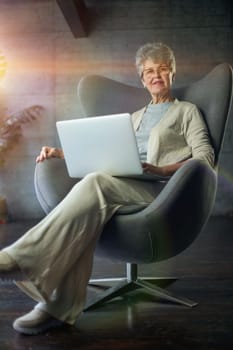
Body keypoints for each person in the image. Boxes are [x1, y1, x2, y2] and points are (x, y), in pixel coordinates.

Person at [0, 42, 215, 335]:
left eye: (162, 69)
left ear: (172, 73)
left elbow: (205, 159)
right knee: (91, 196)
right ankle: (59, 306)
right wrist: (61, 154)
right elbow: (107, 155)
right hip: (120, 184)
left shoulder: (187, 112)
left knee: (95, 184)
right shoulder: (135, 117)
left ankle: (20, 260)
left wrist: (161, 169)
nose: (155, 75)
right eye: (149, 71)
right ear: (142, 79)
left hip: (161, 193)